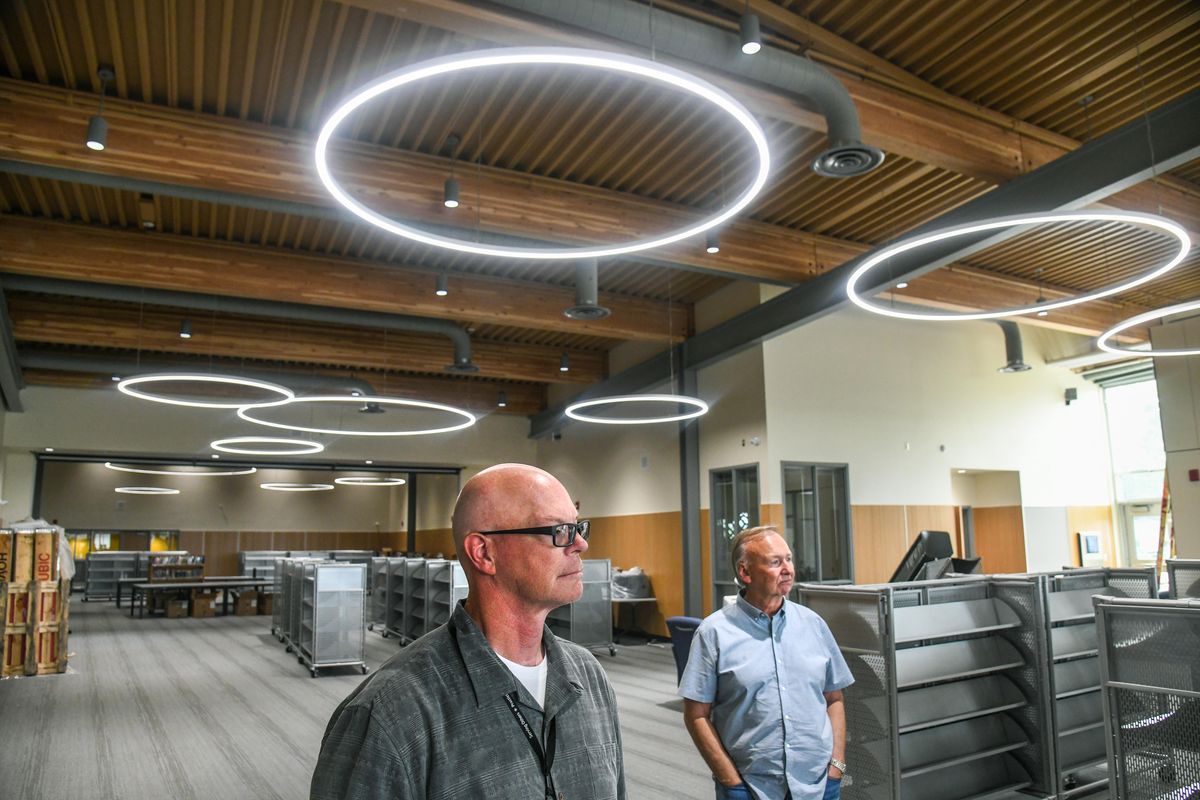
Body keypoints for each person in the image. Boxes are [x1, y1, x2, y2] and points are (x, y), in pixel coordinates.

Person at [310, 463, 626, 800]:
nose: (580, 544)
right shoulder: (390, 713)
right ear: (484, 553)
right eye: (559, 530)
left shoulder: (589, 677)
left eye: (579, 528)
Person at [679, 526, 852, 800]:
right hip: (750, 788)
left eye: (789, 559)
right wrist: (730, 781)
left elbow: (834, 697)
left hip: (818, 785)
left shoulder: (813, 624)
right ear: (745, 573)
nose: (788, 569)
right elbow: (696, 715)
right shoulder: (714, 633)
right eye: (775, 562)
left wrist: (836, 767)